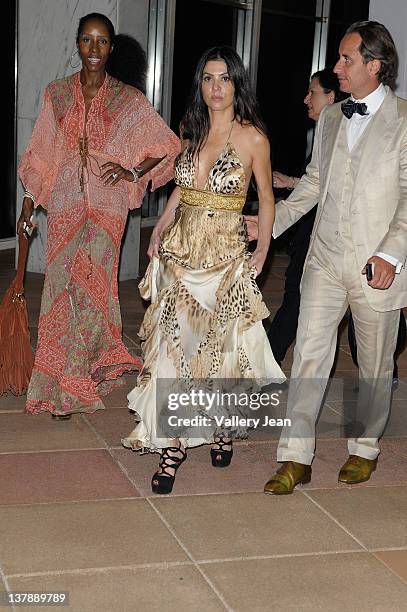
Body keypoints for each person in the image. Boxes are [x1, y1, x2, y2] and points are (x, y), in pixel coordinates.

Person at [247, 21, 407, 493]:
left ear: (374, 66)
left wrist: (391, 254)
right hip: (325, 258)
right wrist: (270, 223)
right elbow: (314, 183)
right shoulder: (334, 117)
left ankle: (365, 447)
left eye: (346, 59)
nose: (336, 67)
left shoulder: (405, 121)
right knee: (310, 355)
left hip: (377, 265)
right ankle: (295, 455)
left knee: (375, 364)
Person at [122, 46, 284, 494]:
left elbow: (266, 199)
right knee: (176, 347)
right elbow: (181, 191)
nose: (216, 87)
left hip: (225, 255)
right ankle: (172, 446)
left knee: (219, 348)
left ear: (237, 84)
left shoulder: (253, 137)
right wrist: (157, 232)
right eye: (208, 78)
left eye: (224, 78)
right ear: (201, 84)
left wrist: (264, 250)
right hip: (181, 252)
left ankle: (220, 426)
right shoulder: (190, 133)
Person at [17, 13, 180, 417]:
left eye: (102, 41)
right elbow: (41, 155)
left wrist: (132, 171)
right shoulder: (56, 94)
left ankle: (70, 384)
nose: (94, 49)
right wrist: (28, 203)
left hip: (107, 210)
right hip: (66, 205)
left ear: (111, 48)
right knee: (60, 288)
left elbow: (167, 144)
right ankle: (71, 370)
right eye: (87, 40)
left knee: (88, 290)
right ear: (77, 44)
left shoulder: (129, 99)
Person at [265, 69, 343, 365]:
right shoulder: (325, 129)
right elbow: (315, 182)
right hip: (307, 231)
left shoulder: (341, 130)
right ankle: (268, 363)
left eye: (313, 93)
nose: (306, 98)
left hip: (324, 233)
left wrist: (289, 183)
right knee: (295, 299)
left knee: (298, 300)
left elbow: (329, 186)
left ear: (331, 97)